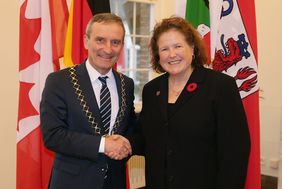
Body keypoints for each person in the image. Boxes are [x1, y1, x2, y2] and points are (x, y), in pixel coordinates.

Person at [130, 16, 250, 189]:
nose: (172, 54)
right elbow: (145, 137)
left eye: (178, 46)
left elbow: (235, 153)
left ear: (192, 48)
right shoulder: (151, 90)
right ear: (158, 55)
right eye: (164, 49)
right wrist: (120, 144)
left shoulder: (220, 86)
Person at [40, 13, 136, 189]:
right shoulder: (59, 81)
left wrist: (124, 144)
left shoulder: (127, 84)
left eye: (115, 42)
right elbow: (52, 136)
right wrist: (103, 145)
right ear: (86, 41)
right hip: (72, 183)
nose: (108, 49)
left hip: (114, 183)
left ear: (122, 45)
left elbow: (129, 126)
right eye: (100, 40)